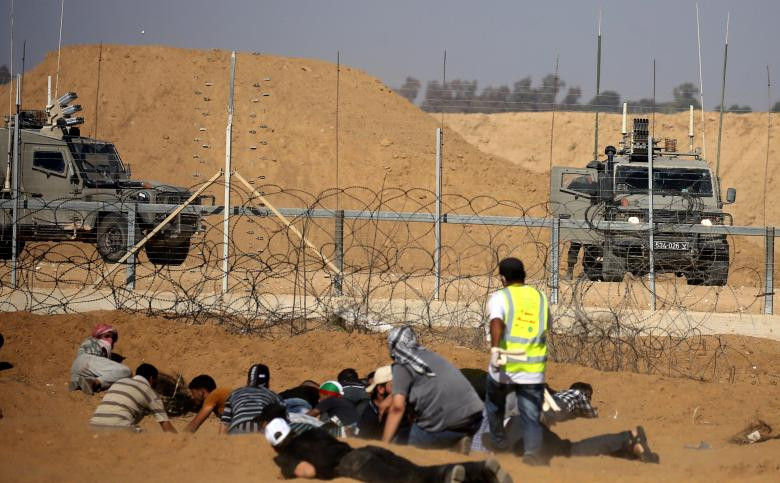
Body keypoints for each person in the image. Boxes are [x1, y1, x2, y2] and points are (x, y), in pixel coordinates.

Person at [259, 403, 513, 483]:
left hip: (355, 465)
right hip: (367, 451)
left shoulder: (285, 455)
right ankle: (480, 471)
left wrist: (288, 473)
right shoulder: (311, 433)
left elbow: (310, 470)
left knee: (410, 480)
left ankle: (452, 475)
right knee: (417, 472)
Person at [483, 257, 551, 465]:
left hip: (506, 362)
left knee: (494, 403)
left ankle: (499, 441)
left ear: (503, 278)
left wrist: (495, 351)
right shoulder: (540, 297)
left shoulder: (500, 296)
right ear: (523, 275)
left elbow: (496, 322)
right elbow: (546, 325)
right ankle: (532, 454)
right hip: (533, 365)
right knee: (530, 414)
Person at [382, 326, 483, 451]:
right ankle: (456, 445)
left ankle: (446, 459)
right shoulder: (431, 356)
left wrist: (384, 445)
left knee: (403, 444)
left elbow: (397, 408)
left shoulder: (402, 363)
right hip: (475, 418)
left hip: (451, 421)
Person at [89, 363, 176, 432]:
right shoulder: (150, 392)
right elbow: (165, 425)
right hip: (120, 429)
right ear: (151, 378)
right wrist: (178, 441)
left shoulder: (119, 382)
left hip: (93, 427)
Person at [220, 363, 285, 434]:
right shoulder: (273, 395)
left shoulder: (234, 394)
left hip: (236, 429)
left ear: (248, 381)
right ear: (268, 382)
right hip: (260, 430)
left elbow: (224, 424)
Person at [69, 323, 131, 394]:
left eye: (112, 338)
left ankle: (78, 383)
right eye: (107, 336)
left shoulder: (86, 343)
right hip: (88, 360)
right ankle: (94, 383)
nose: (110, 340)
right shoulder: (97, 342)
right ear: (97, 336)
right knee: (126, 371)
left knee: (99, 376)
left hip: (76, 367)